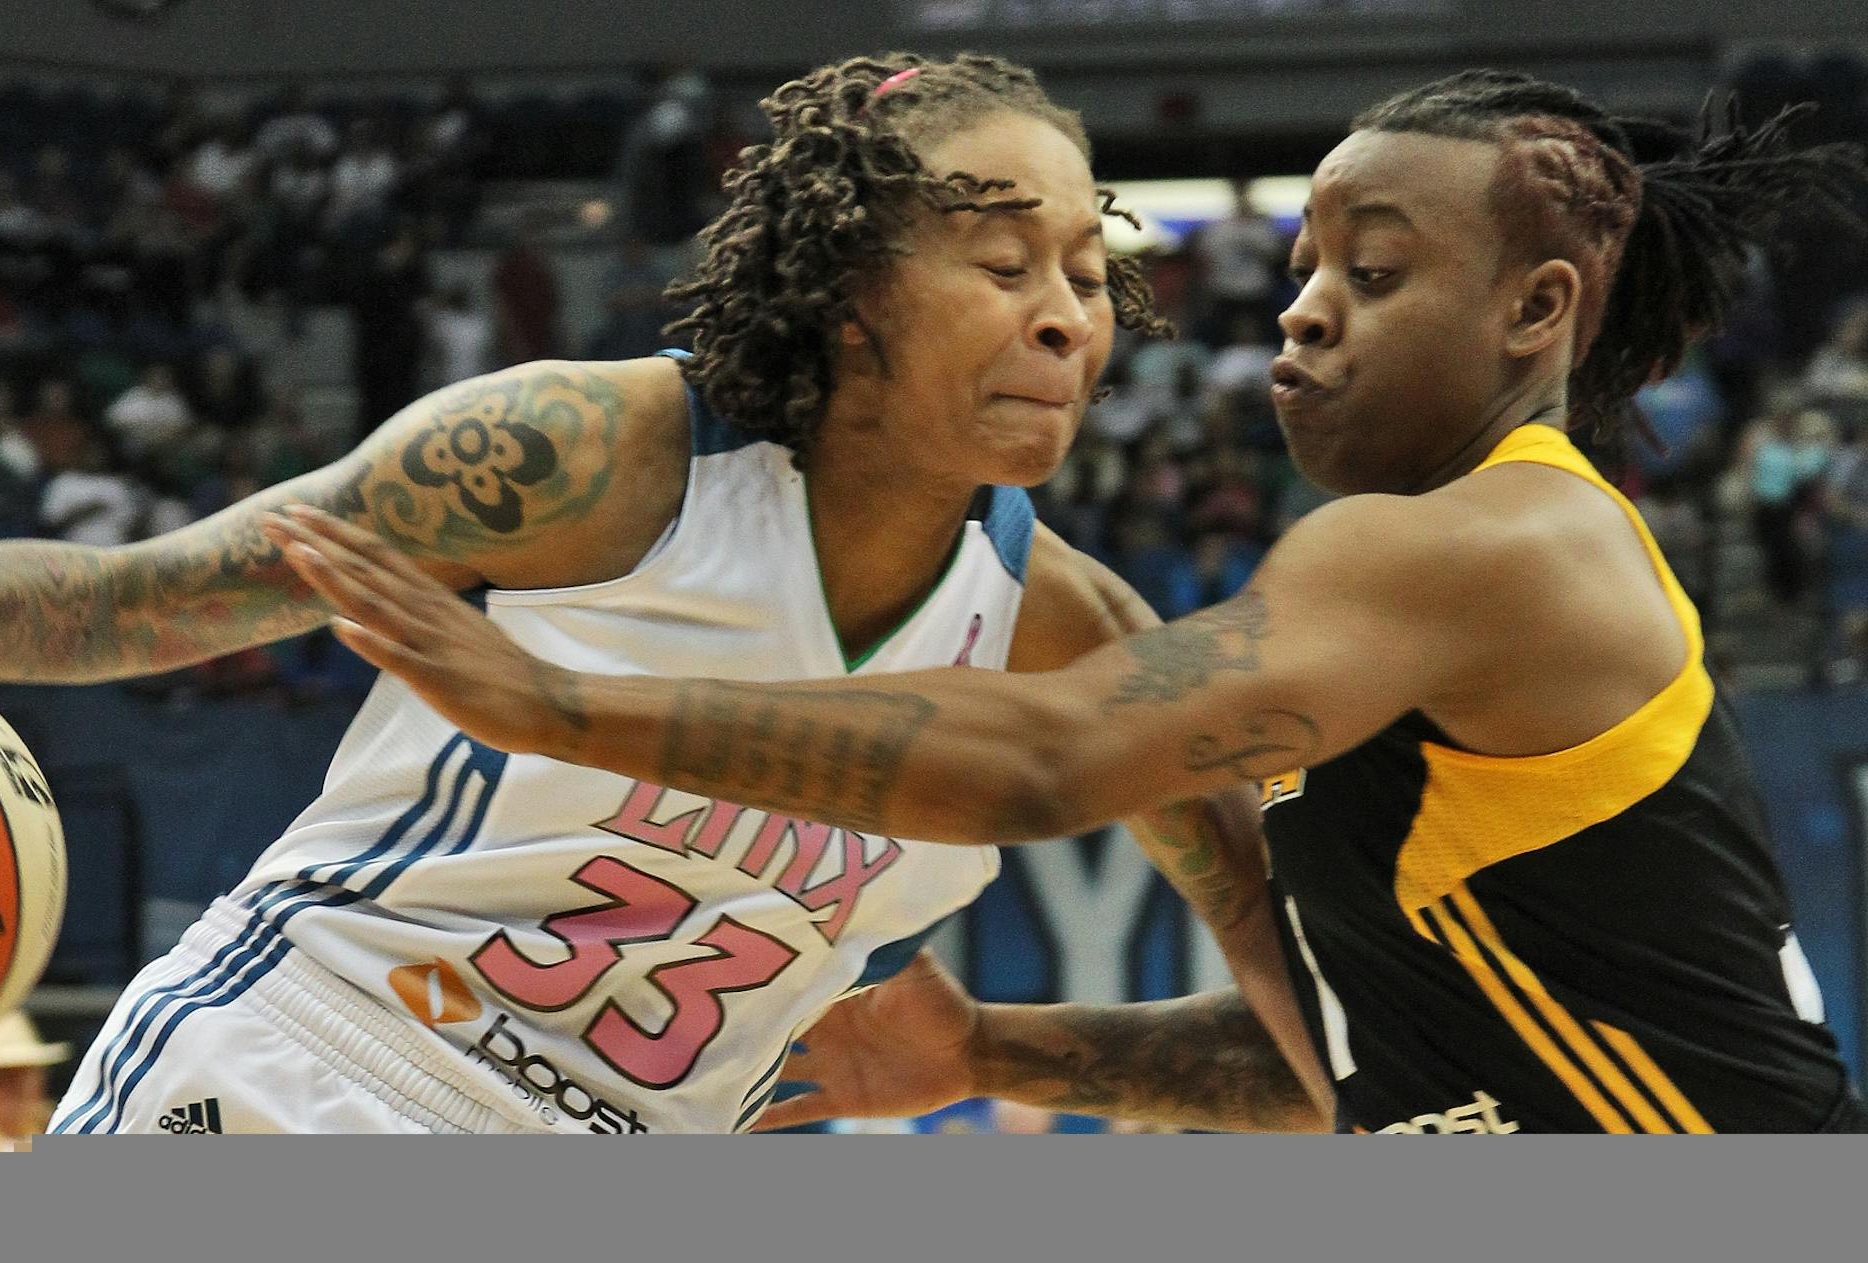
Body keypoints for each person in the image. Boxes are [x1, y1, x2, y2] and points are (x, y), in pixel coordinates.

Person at [0, 54, 1320, 1136]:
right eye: (1001, 261)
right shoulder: (590, 454)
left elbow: (1320, 1029)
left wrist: (1003, 1050)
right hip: (309, 1072)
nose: (1066, 321)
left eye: (1088, 276)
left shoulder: (1077, 639)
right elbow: (141, 600)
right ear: (849, 293)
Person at [292, 72, 1868, 1136]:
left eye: (1373, 276)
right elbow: (1354, 1065)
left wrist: (549, 705)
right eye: (1308, 264)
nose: (1305, 307)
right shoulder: (1423, 587)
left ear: (1537, 310)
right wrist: (990, 1049)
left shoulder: (1495, 540)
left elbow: (1049, 755)